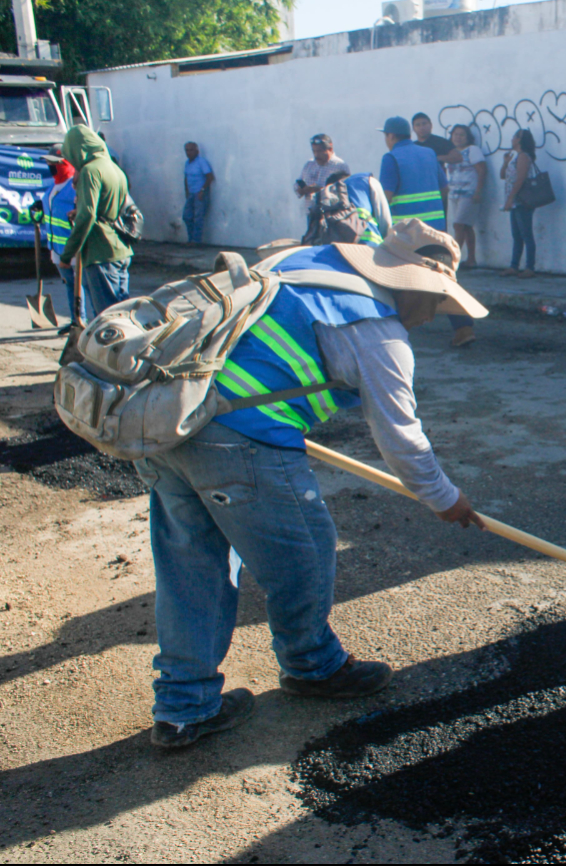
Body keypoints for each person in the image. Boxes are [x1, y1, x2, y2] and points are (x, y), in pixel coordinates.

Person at [138, 219, 487, 749]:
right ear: (416, 286)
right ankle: (313, 666)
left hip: (168, 421)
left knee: (194, 566)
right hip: (239, 437)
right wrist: (445, 499)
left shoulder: (304, 263)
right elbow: (402, 439)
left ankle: (184, 706)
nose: (434, 313)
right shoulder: (377, 328)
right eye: (437, 301)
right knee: (306, 548)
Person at [379, 116, 475, 347]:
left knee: (393, 280)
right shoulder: (429, 154)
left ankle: (394, 333)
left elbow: (385, 197)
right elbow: (444, 188)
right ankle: (464, 329)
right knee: (443, 278)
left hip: (406, 233)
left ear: (391, 136)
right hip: (435, 229)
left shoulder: (391, 158)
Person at [60, 126, 131, 317]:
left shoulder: (90, 171)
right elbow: (108, 207)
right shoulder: (114, 168)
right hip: (120, 249)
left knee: (108, 320)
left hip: (101, 252)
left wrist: (67, 255)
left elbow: (88, 215)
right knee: (123, 315)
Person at [39, 146, 86, 327]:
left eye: (55, 163)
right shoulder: (54, 185)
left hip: (73, 246)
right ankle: (75, 319)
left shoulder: (73, 186)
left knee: (79, 286)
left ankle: (82, 319)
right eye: (49, 162)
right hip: (57, 247)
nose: (50, 166)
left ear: (66, 163)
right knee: (69, 284)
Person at [446, 123, 487, 269]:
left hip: (469, 193)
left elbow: (482, 170)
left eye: (462, 134)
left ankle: (453, 259)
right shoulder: (450, 152)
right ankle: (471, 259)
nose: (458, 137)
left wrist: (479, 191)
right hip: (454, 193)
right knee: (467, 227)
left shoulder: (473, 150)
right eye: (455, 134)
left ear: (468, 137)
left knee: (458, 224)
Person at [501, 129, 539, 278]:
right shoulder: (515, 157)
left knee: (526, 234)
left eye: (513, 136)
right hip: (516, 201)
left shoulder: (523, 157)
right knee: (517, 235)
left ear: (519, 139)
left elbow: (521, 179)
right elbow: (503, 176)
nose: (511, 139)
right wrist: (505, 163)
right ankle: (514, 266)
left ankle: (530, 267)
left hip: (522, 200)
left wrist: (511, 198)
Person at [296, 133, 350, 233]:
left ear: (330, 149)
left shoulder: (340, 166)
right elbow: (297, 184)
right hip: (312, 214)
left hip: (332, 216)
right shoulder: (309, 165)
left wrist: (321, 190)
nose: (316, 155)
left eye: (320, 151)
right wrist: (301, 190)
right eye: (314, 151)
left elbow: (345, 192)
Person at [182, 141, 214, 244]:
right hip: (191, 194)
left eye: (191, 150)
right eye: (187, 150)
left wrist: (202, 190)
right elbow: (186, 177)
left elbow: (210, 177)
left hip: (200, 194)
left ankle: (196, 241)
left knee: (198, 218)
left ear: (197, 151)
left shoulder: (201, 162)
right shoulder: (187, 163)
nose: (189, 152)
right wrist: (186, 191)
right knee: (187, 216)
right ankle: (191, 239)